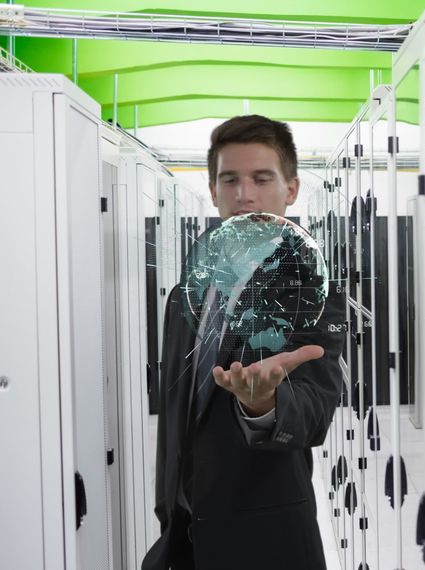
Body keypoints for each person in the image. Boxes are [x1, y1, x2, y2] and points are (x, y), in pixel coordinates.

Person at [143, 115, 346, 570]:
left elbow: (315, 412)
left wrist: (264, 404)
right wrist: (168, 509)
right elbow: (179, 413)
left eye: (262, 178)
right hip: (184, 535)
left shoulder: (311, 291)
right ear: (213, 190)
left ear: (291, 189)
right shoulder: (184, 293)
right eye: (230, 179)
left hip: (264, 539)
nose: (244, 195)